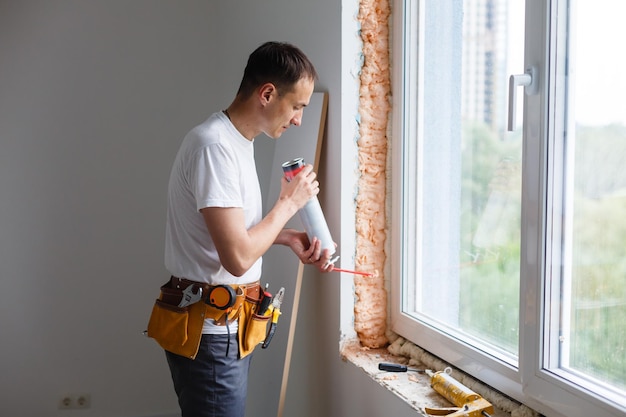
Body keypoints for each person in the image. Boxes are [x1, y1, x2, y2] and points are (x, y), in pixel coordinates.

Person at [162, 41, 333, 417]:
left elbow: (229, 236)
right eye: (297, 106)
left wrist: (286, 237)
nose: (299, 119)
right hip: (211, 336)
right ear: (267, 94)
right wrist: (290, 203)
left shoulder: (235, 142)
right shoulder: (215, 148)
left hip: (224, 330)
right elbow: (237, 258)